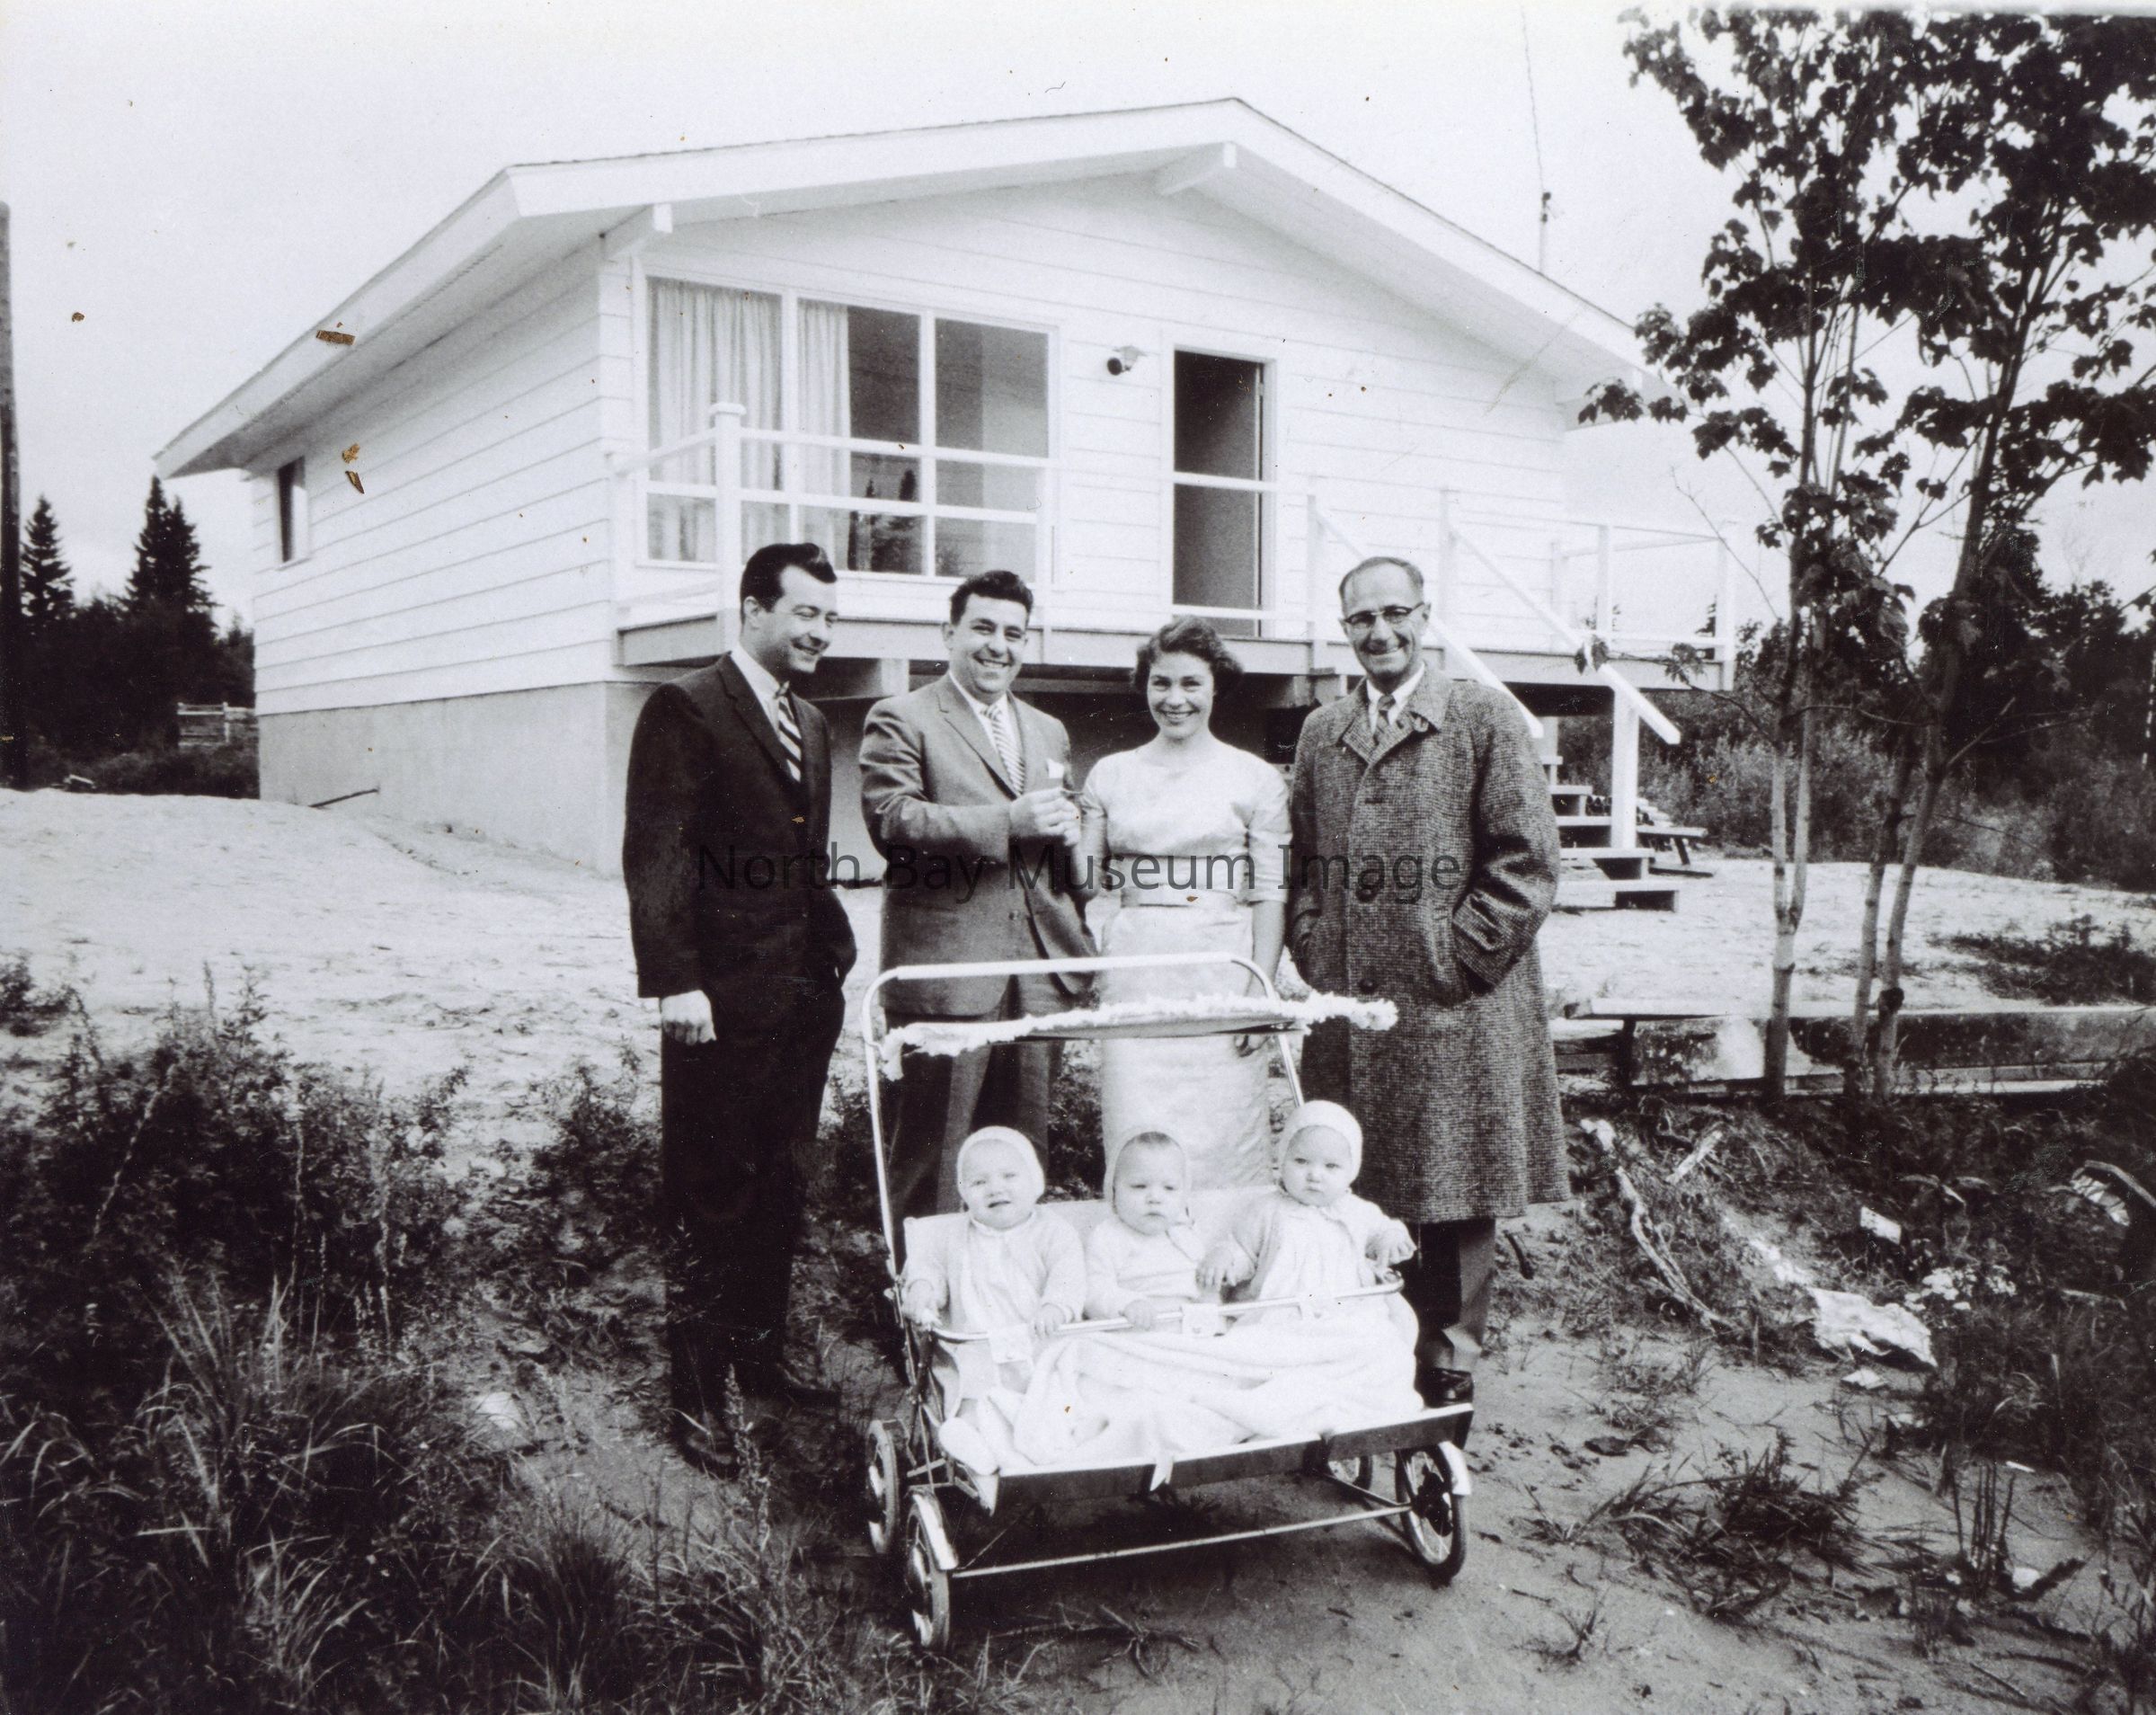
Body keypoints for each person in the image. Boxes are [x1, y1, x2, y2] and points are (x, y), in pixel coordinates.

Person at [1286, 554, 1566, 1408]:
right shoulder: (1322, 731)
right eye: (1360, 619)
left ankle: (1447, 1367)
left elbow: (1526, 863)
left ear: (1424, 615)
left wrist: (1456, 957)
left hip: (1458, 1007)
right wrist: (1314, 946)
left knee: (1453, 1186)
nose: (1379, 632)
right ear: (1345, 630)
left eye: (1394, 613)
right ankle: (1367, 1357)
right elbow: (1303, 863)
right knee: (1354, 1181)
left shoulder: (1481, 717)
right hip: (1353, 1003)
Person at [621, 542, 855, 1474]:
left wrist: (833, 954)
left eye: (830, 618)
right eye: (805, 613)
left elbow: (801, 860)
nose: (820, 632)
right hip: (715, 1006)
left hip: (800, 1003)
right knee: (710, 1193)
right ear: (753, 610)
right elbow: (658, 855)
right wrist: (675, 982)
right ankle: (695, 1396)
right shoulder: (687, 707)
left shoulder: (813, 721)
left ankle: (760, 1363)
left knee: (781, 1184)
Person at [860, 570, 1094, 1235]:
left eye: (1013, 633)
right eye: (983, 628)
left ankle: (1008, 1289)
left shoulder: (1047, 730)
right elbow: (893, 819)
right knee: (934, 1159)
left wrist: (1072, 837)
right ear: (949, 633)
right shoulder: (902, 716)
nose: (998, 646)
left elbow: (1059, 842)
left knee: (1021, 1160)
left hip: (1037, 974)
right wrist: (1007, 822)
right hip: (948, 976)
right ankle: (922, 1295)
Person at [1077, 618, 1290, 1190]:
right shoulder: (1110, 774)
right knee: (1138, 1128)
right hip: (1137, 970)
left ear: (1217, 686)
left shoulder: (1254, 777)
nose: (1175, 699)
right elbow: (1085, 881)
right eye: (1161, 682)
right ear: (1144, 685)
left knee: (1226, 1133)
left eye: (1191, 683)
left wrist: (1259, 994)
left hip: (1222, 971)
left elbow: (1270, 891)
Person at [1198, 1101, 1415, 1313]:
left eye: (1331, 1166)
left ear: (1351, 1171)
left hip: (1346, 1310)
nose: (1314, 1175)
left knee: (1378, 1326)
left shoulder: (1359, 1211)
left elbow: (1384, 1231)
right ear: (1283, 1160)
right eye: (1301, 1161)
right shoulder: (1266, 1210)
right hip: (1279, 1312)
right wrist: (1225, 1259)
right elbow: (1243, 1250)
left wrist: (1391, 1239)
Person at [1084, 1131, 1212, 1328]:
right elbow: (1093, 1290)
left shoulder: (1186, 1233)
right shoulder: (1108, 1236)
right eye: (1139, 1186)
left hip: (1189, 1330)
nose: (1155, 1198)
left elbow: (1205, 1289)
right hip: (1134, 1332)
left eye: (1169, 1188)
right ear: (1114, 1190)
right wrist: (1126, 1304)